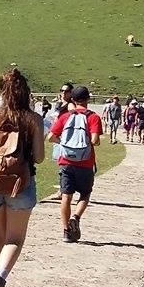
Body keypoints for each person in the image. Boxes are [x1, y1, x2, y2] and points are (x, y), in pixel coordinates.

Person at [0, 69, 46, 287]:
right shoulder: (34, 119)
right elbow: (38, 157)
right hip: (21, 183)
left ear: (0, 92)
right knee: (14, 238)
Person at [48, 86, 102, 243]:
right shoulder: (93, 117)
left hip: (66, 161)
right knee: (85, 194)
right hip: (85, 162)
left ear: (72, 99)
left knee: (66, 196)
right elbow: (94, 141)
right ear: (88, 99)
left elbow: (51, 137)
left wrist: (64, 143)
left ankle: (66, 231)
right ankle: (76, 217)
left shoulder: (65, 116)